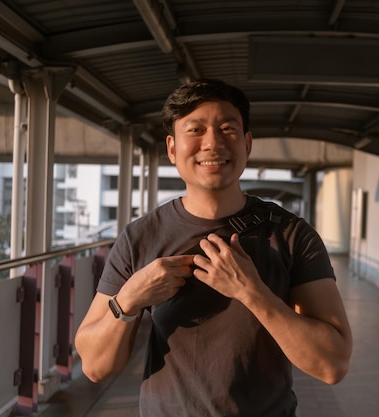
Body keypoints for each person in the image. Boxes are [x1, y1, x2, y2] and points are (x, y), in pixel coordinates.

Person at [75, 78, 352, 416]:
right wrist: (129, 300)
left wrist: (253, 293)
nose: (212, 143)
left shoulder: (292, 235)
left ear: (247, 144)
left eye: (227, 129)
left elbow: (333, 365)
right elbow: (95, 367)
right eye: (195, 130)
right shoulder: (141, 237)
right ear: (173, 148)